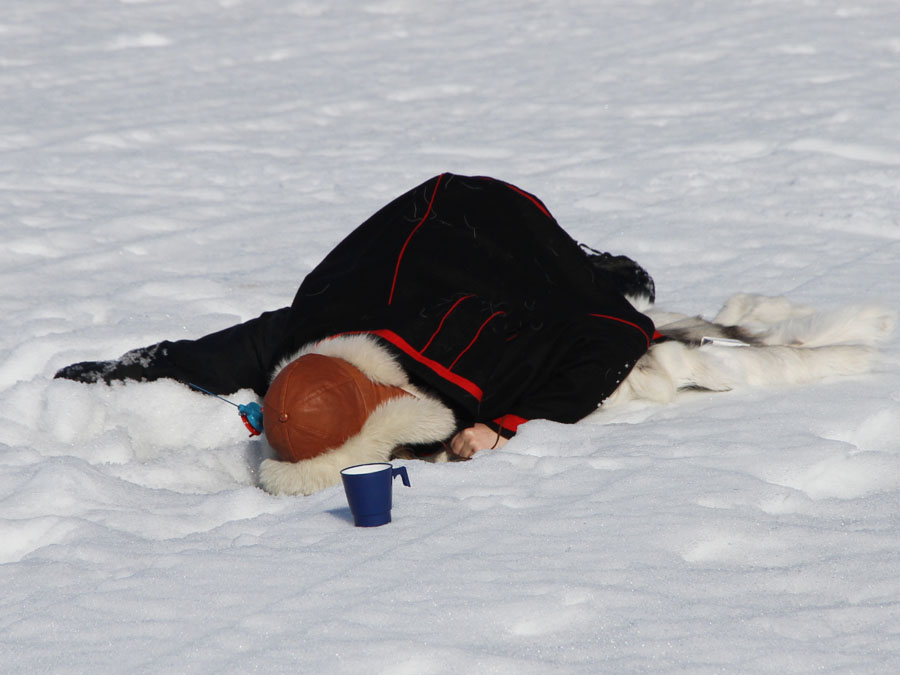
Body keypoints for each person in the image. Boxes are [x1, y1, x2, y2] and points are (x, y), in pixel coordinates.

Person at [56, 173, 657, 495]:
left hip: (499, 220)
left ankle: (591, 265)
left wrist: (503, 425)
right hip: (416, 240)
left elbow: (620, 335)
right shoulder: (309, 329)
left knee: (585, 290)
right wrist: (136, 369)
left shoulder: (481, 363)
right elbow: (226, 351)